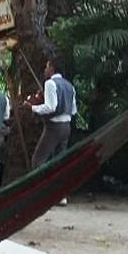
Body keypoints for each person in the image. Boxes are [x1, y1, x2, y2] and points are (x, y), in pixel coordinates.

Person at [24, 56, 77, 205]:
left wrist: (32, 107)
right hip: (67, 126)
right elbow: (73, 110)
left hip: (54, 127)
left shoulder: (50, 83)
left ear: (52, 68)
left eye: (47, 67)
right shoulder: (69, 86)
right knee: (59, 162)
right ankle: (61, 196)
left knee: (38, 160)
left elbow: (50, 107)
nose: (45, 69)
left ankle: (41, 194)